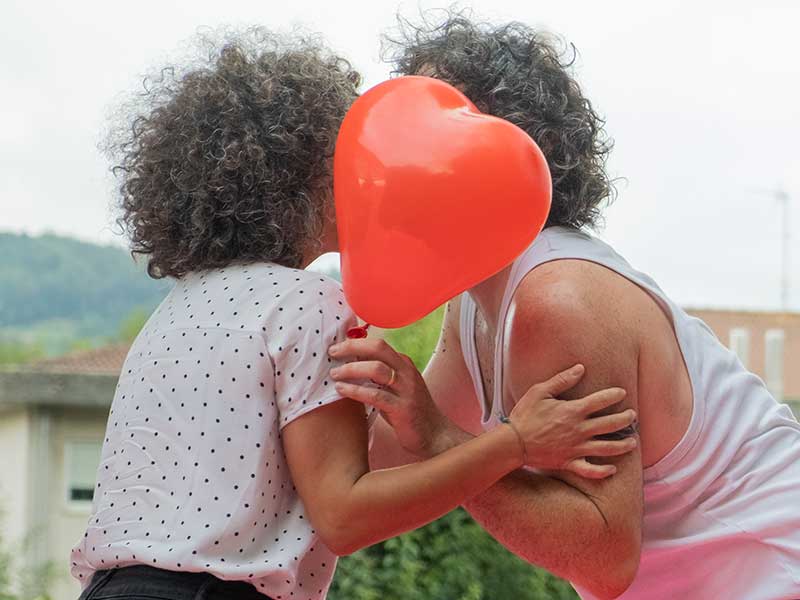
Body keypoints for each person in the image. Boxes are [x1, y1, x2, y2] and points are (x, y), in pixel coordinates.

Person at [70, 28, 638, 600]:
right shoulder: (307, 302)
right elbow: (344, 516)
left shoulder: (176, 311)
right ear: (308, 180)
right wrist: (516, 443)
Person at [330, 14, 800, 600]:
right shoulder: (477, 300)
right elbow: (385, 464)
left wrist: (441, 439)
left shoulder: (558, 298)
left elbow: (603, 561)